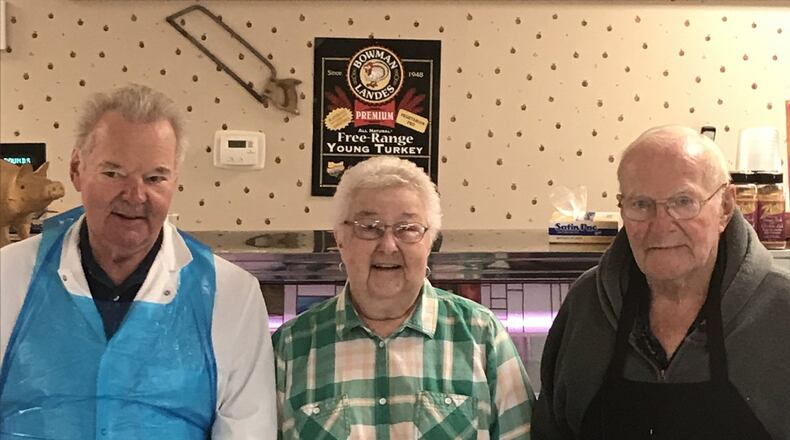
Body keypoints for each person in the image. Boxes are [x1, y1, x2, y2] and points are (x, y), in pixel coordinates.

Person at [0, 84, 277, 438]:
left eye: (155, 177)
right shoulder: (7, 277)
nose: (135, 195)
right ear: (76, 170)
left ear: (175, 181)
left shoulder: (233, 295)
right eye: (113, 173)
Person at [533, 125, 790, 439]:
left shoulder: (782, 309)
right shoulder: (586, 304)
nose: (661, 226)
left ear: (724, 206)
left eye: (683, 202)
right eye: (641, 205)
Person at [273, 156, 535, 439]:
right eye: (369, 227)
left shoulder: (482, 335)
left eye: (407, 229)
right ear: (340, 239)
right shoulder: (290, 346)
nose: (388, 245)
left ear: (430, 240)